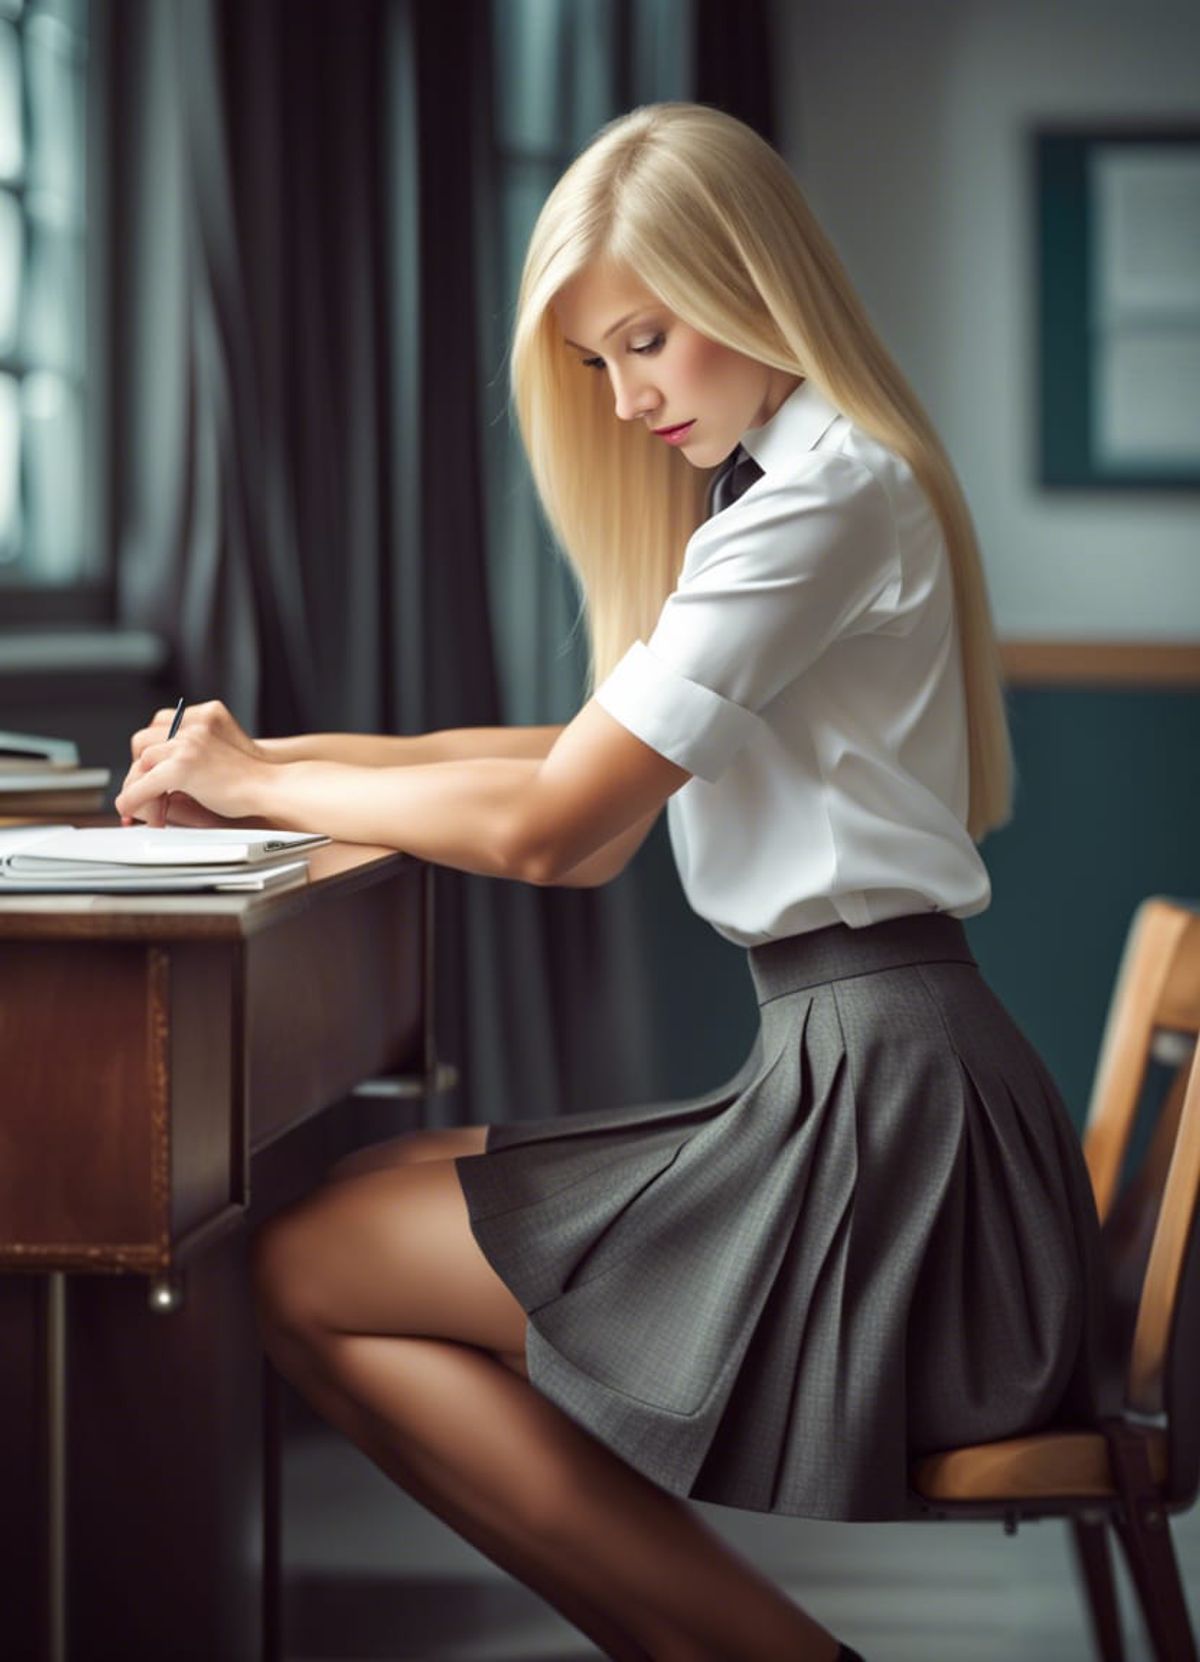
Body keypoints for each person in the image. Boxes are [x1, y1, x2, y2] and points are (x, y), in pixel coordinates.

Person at [116, 102, 1107, 1662]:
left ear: (753, 285)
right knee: (353, 1203)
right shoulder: (790, 488)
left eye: (649, 339)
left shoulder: (818, 502)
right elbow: (561, 752)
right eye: (600, 363)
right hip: (864, 1074)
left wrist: (255, 787)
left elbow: (560, 832)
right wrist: (268, 752)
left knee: (310, 1264)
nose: (632, 395)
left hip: (885, 1119)